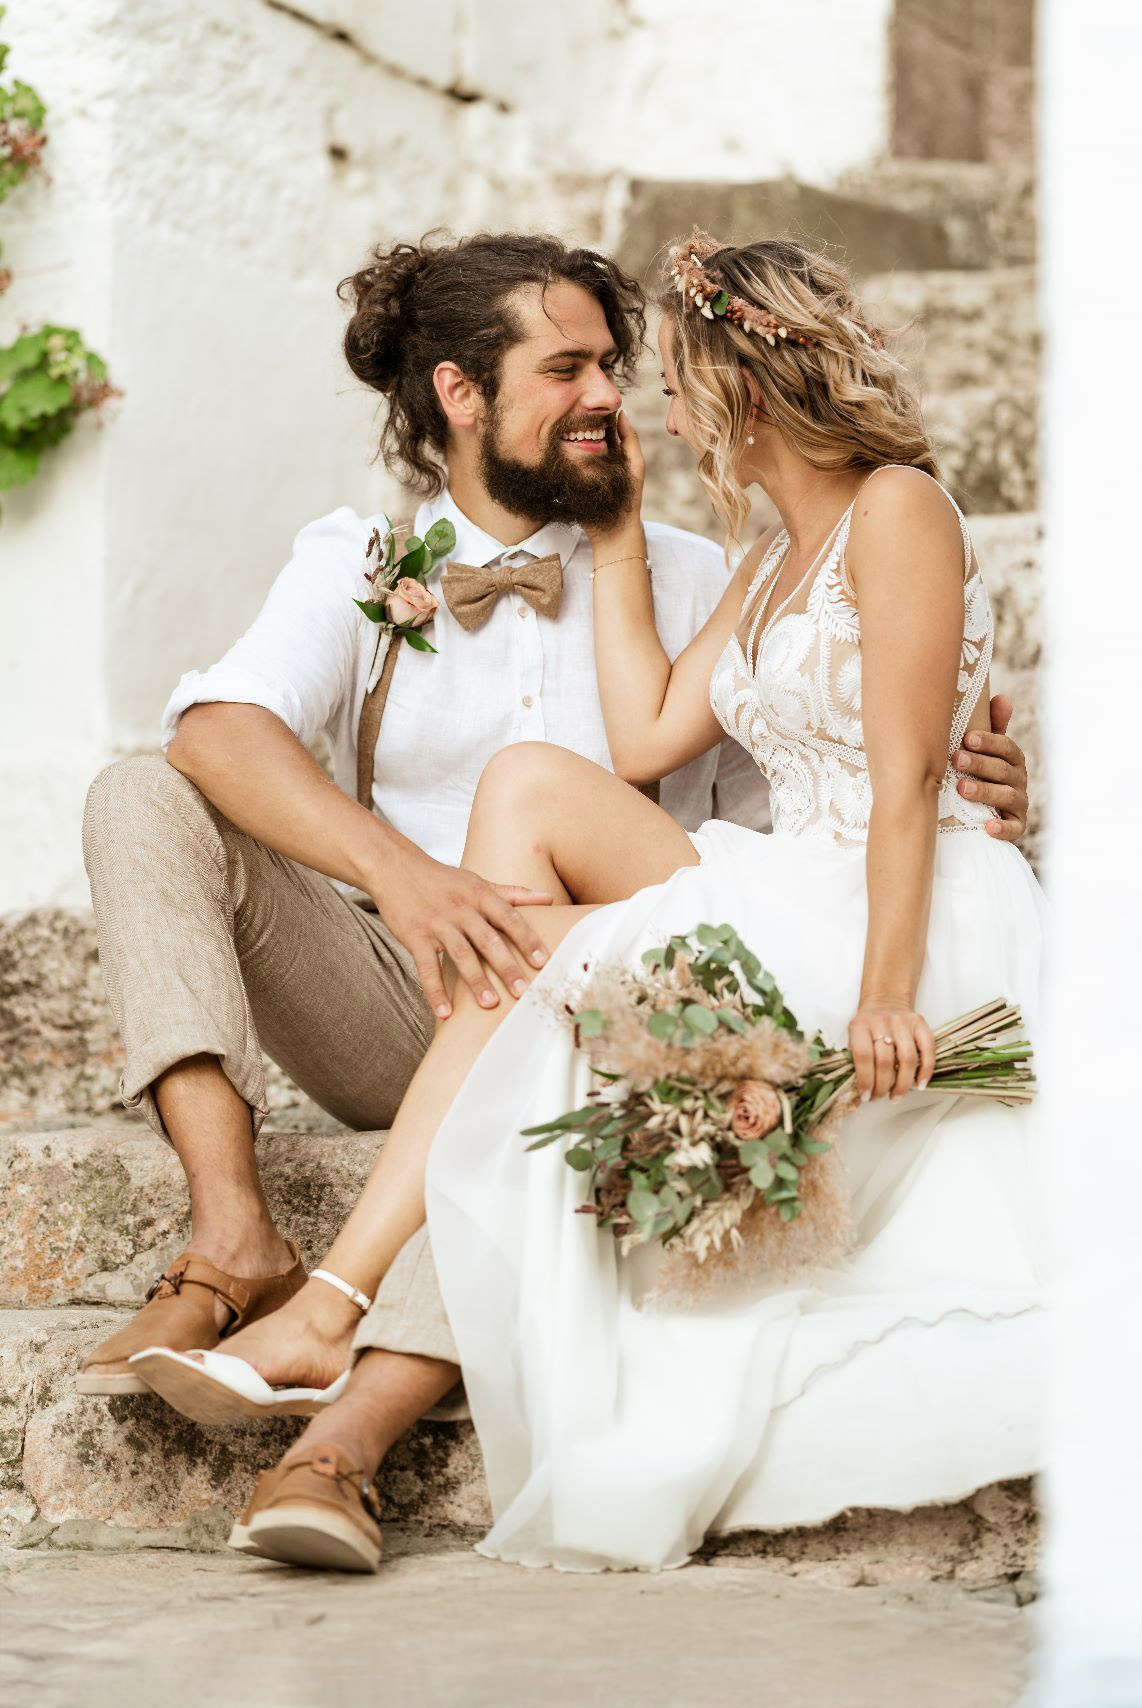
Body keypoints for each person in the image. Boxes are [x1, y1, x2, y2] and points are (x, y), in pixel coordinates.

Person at [130, 233, 1045, 1578]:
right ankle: (269, 1264)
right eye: (584, 372)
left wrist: (894, 979)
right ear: (458, 392)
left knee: (548, 981)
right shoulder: (743, 561)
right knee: (496, 806)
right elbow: (637, 743)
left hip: (859, 914)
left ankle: (337, 1355)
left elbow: (904, 779)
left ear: (740, 378)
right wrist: (610, 539)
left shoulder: (881, 511)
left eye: (648, 374)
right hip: (611, 923)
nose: (638, 406)